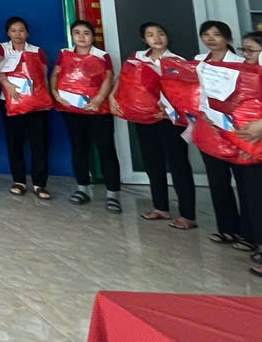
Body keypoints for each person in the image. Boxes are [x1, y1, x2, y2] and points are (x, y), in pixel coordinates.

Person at [108, 21, 196, 229]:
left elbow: (189, 94)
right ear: (144, 39)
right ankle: (161, 207)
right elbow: (123, 78)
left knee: (178, 165)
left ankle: (188, 215)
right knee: (152, 163)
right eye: (150, 34)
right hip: (144, 119)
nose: (156, 38)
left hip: (170, 121)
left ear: (167, 37)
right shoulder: (137, 58)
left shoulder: (178, 61)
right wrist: (112, 95)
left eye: (160, 33)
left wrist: (172, 110)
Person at [51, 19, 122, 211]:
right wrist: (56, 94)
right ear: (72, 36)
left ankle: (112, 193)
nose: (81, 37)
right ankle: (82, 188)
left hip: (97, 110)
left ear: (92, 36)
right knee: (79, 148)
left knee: (106, 149)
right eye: (77, 32)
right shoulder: (64, 54)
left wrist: (99, 99)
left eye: (86, 33)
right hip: (72, 110)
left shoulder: (101, 55)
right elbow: (56, 75)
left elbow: (108, 78)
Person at [196, 20, 250, 250]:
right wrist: (203, 113)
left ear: (228, 38)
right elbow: (197, 93)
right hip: (210, 127)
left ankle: (249, 233)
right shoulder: (199, 62)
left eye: (216, 34)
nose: (210, 39)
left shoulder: (242, 63)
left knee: (245, 183)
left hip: (237, 130)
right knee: (217, 180)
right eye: (206, 34)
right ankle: (227, 229)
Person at [0, 16, 51, 200]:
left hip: (36, 104)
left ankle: (40, 184)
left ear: (27, 33)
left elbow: (43, 77)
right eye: (13, 31)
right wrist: (7, 85)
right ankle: (18, 181)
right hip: (10, 101)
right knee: (14, 142)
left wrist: (46, 99)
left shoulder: (37, 50)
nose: (17, 34)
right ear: (8, 33)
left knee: (39, 143)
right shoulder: (2, 48)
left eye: (21, 30)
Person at [236, 32, 262, 278]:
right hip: (250, 147)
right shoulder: (244, 73)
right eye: (244, 49)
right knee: (254, 196)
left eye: (252, 50)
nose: (246, 55)